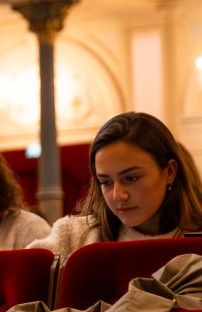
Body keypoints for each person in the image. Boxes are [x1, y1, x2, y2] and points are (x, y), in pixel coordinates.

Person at [29, 112, 202, 263]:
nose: (118, 195)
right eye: (106, 182)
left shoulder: (195, 241)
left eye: (131, 178)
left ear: (169, 172)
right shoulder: (74, 237)